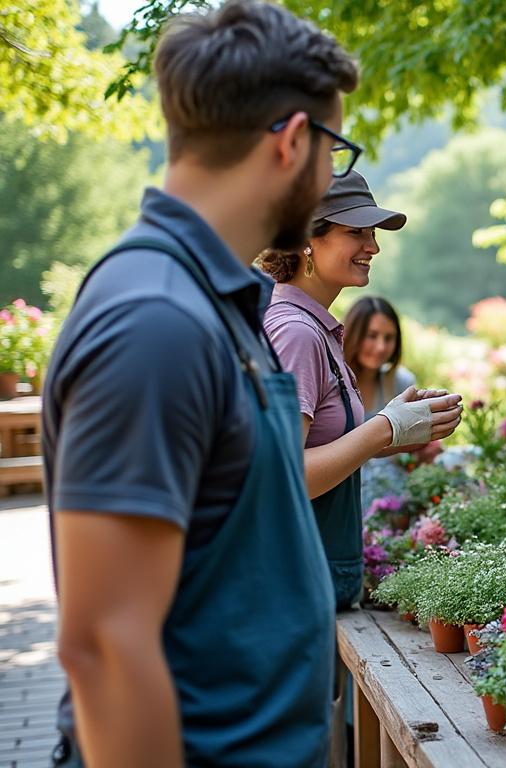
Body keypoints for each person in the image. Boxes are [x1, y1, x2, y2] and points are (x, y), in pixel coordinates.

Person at [41, 2, 360, 764]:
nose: (332, 177)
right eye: (335, 151)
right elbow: (104, 648)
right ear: (291, 141)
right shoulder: (157, 321)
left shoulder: (211, 304)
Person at [260, 172, 462, 610]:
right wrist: (384, 429)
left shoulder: (315, 327)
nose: (373, 247)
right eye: (356, 232)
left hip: (313, 585)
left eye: (372, 233)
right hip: (294, 590)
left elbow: (326, 445)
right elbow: (286, 475)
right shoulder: (295, 333)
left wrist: (398, 429)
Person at [341, 295, 438, 509]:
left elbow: (414, 448)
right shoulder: (334, 382)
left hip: (394, 500)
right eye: (372, 335)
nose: (380, 347)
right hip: (344, 493)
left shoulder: (401, 382)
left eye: (389, 338)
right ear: (354, 334)